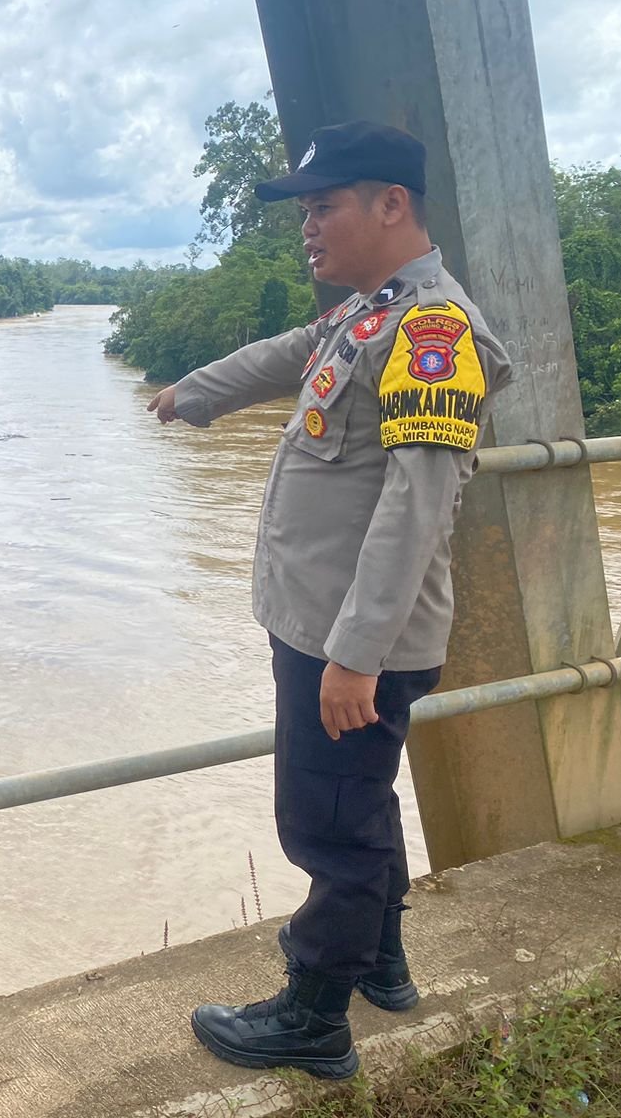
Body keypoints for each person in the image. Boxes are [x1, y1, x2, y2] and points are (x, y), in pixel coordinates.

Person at [148, 120, 512, 1080]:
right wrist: (194, 392)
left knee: (328, 826)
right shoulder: (370, 311)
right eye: (304, 211)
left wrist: (355, 656)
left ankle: (314, 1017)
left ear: (391, 204)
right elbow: (290, 352)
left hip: (353, 641)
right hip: (326, 627)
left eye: (323, 207)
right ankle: (379, 958)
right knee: (362, 799)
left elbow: (415, 507)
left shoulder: (433, 333)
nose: (307, 227)